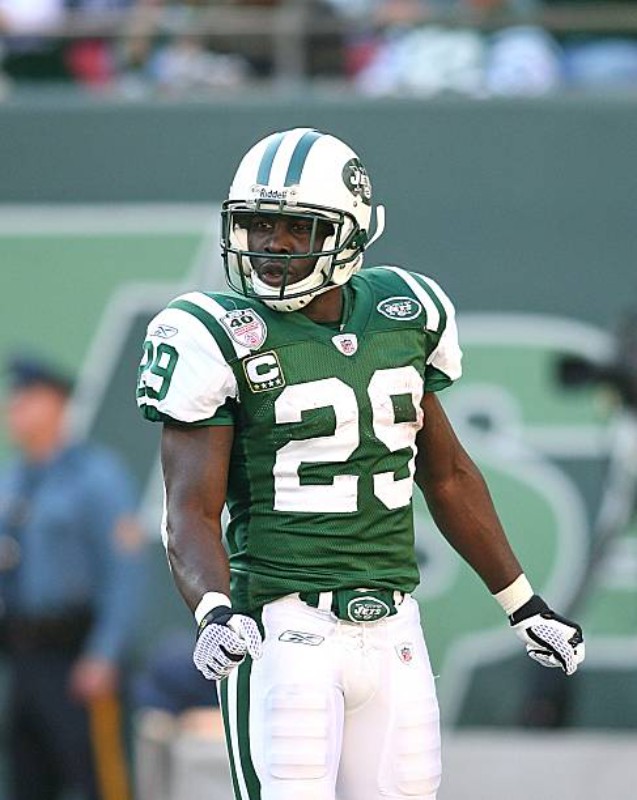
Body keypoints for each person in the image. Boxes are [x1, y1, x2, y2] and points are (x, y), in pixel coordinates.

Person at [136, 127, 585, 800]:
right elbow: (188, 512)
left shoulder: (403, 312)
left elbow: (447, 475)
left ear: (351, 233)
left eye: (298, 227)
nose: (272, 244)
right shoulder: (213, 332)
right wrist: (215, 612)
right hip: (282, 630)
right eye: (259, 224)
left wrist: (523, 605)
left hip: (394, 627)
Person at [0, 355, 147, 800]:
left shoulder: (96, 477)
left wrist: (104, 653)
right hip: (25, 658)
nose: (15, 408)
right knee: (27, 781)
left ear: (57, 403)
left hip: (78, 656)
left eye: (28, 398)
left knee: (102, 783)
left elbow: (124, 573)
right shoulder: (12, 481)